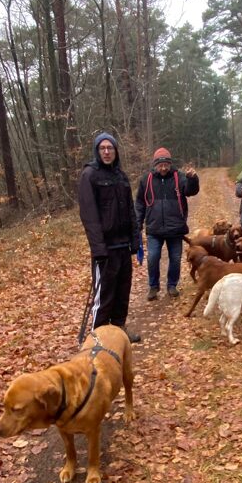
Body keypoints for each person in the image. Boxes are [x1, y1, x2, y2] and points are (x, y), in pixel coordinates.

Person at [78, 132, 141, 343]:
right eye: (102, 148)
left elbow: (130, 210)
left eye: (110, 148)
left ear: (115, 151)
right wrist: (99, 249)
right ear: (97, 151)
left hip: (123, 246)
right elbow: (89, 216)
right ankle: (96, 340)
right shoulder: (90, 175)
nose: (106, 152)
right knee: (104, 296)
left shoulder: (121, 176)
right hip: (106, 249)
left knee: (123, 292)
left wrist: (135, 240)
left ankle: (119, 330)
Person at [135, 147, 199, 300]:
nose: (163, 168)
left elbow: (191, 191)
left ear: (170, 164)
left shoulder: (179, 177)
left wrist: (192, 179)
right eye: (160, 165)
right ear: (155, 165)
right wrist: (138, 223)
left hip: (175, 228)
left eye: (166, 165)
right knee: (153, 257)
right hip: (154, 228)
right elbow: (139, 203)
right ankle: (153, 287)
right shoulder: (146, 180)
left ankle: (172, 285)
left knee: (175, 259)